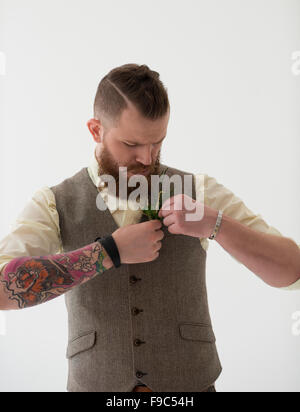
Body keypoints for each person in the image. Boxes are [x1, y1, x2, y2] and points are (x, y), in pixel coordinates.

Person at [0, 63, 299, 393]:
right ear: (96, 130)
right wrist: (108, 252)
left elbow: (291, 270)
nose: (147, 157)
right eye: (131, 144)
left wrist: (216, 224)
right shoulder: (54, 202)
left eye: (158, 142)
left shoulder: (199, 191)